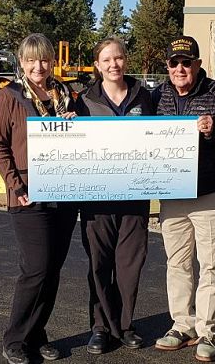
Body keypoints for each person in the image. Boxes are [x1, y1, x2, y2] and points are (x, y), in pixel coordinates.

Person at [152, 35, 215, 362]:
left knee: (211, 266)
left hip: (210, 193)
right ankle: (182, 324)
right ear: (167, 66)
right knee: (176, 264)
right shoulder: (158, 94)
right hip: (173, 195)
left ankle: (207, 331)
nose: (180, 68)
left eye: (187, 62)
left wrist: (214, 129)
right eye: (174, 62)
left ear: (198, 64)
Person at [0, 33, 78, 364]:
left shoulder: (66, 93)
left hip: (64, 193)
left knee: (52, 269)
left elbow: (84, 136)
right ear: (21, 63)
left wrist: (77, 123)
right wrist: (16, 185)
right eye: (30, 60)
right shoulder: (10, 95)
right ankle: (14, 337)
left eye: (43, 59)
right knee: (36, 268)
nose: (37, 66)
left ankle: (37, 333)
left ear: (52, 61)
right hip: (28, 195)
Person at [76, 36, 153, 354]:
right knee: (99, 263)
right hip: (97, 199)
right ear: (97, 65)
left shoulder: (145, 97)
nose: (113, 65)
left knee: (129, 264)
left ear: (126, 60)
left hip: (135, 196)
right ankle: (99, 327)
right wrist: (67, 127)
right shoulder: (83, 100)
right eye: (106, 60)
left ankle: (124, 325)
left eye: (118, 58)